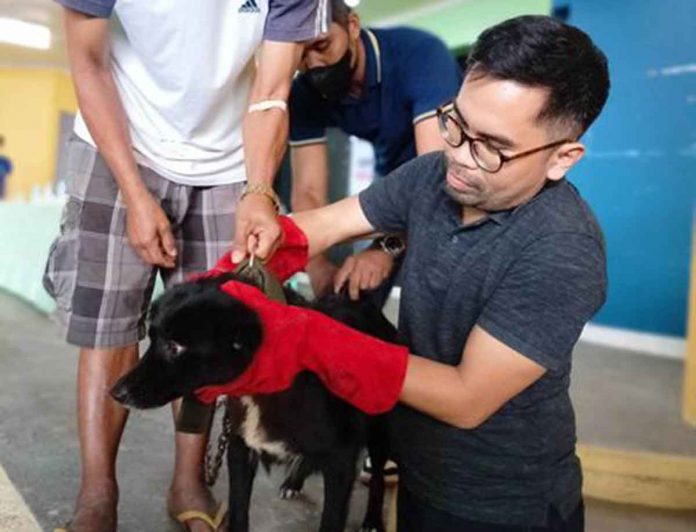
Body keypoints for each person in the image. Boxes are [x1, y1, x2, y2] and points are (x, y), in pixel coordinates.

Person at [208, 15, 610, 532]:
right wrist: (264, 240)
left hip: (501, 504)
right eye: (456, 123)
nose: (460, 156)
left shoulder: (561, 250)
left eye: (492, 146)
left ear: (562, 158)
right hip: (420, 473)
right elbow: (325, 224)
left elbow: (465, 398)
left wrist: (311, 338)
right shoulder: (433, 174)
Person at [44, 1, 329, 530]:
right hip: (118, 143)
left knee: (205, 332)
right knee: (109, 329)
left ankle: (188, 481)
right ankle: (97, 495)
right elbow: (89, 60)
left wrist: (259, 189)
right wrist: (134, 192)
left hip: (227, 160)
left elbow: (271, 91)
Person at [288, 0, 461, 300]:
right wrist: (316, 266)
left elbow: (436, 177)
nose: (313, 63)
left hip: (451, 183)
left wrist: (385, 247)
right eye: (300, 55)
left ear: (353, 26)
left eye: (322, 45)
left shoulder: (420, 56)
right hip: (393, 180)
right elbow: (308, 191)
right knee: (353, 290)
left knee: (432, 292)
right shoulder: (305, 93)